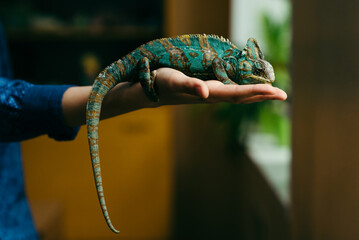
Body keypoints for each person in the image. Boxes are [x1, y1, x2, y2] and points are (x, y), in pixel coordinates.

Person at [0, 24, 286, 239]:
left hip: (17, 210)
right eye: (257, 72)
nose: (257, 76)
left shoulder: (234, 58)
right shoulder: (228, 60)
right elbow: (215, 63)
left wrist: (142, 93)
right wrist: (145, 87)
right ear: (246, 62)